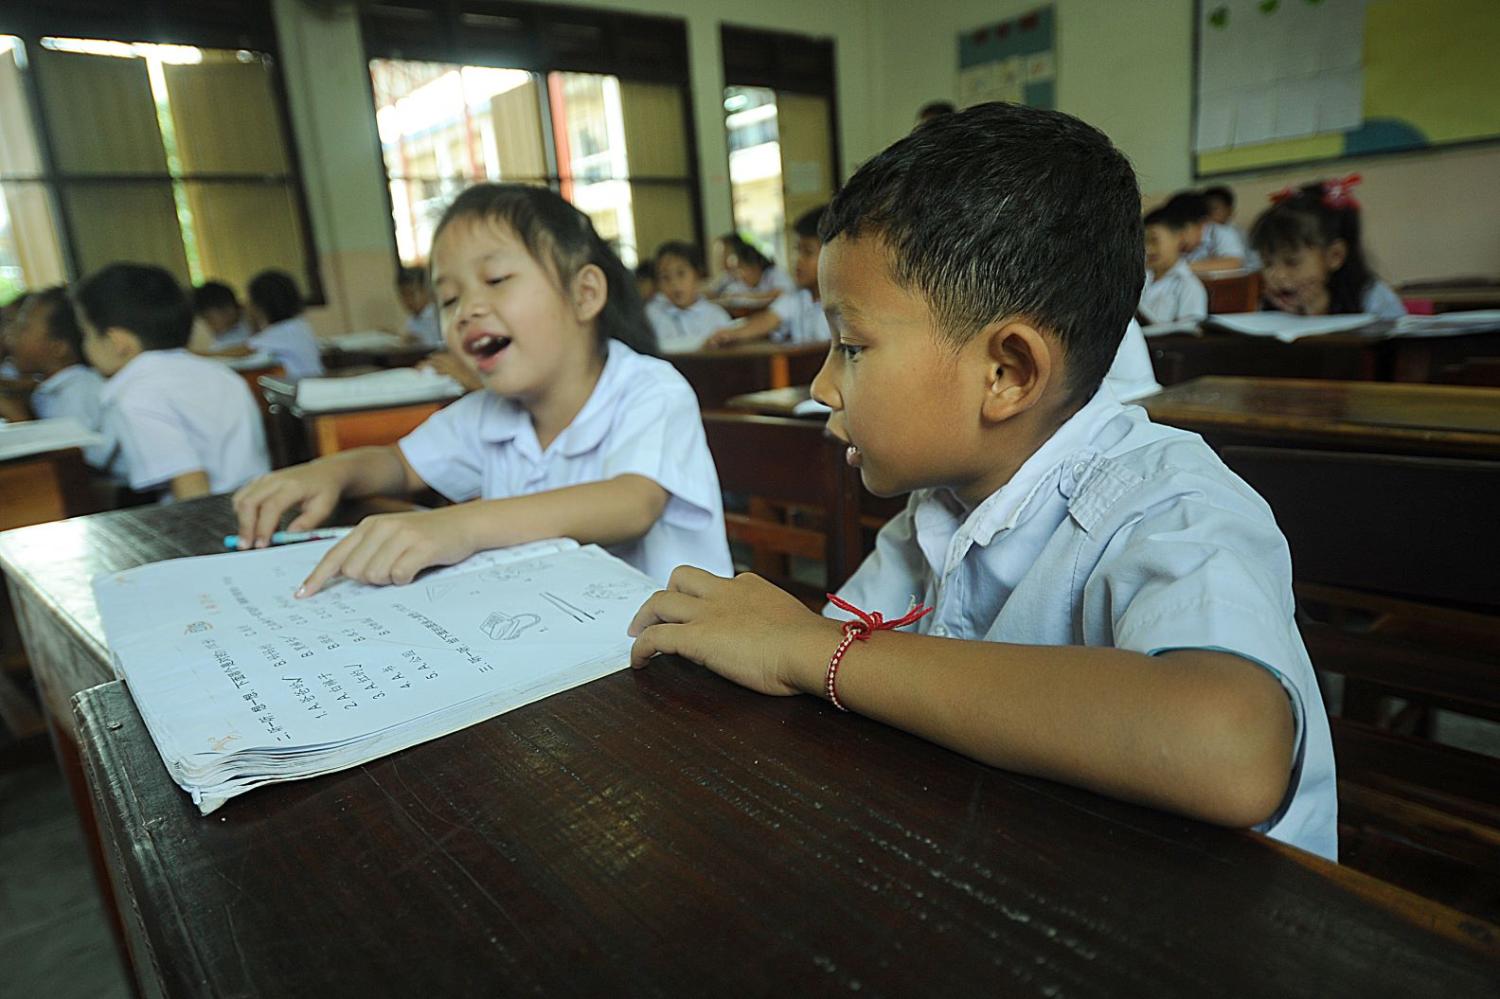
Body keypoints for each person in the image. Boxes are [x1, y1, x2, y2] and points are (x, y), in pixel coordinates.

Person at [627, 102, 1336, 860]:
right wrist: (793, 644)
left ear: (1007, 372)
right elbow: (846, 671)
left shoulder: (1169, 501)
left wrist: (811, 649)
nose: (825, 387)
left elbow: (1227, 742)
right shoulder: (932, 512)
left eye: (852, 346)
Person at [233, 183, 733, 593]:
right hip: (556, 644)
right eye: (449, 299)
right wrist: (331, 472)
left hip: (674, 664)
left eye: (495, 279)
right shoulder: (490, 412)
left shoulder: (649, 389)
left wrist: (462, 525)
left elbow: (630, 504)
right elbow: (399, 465)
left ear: (584, 294)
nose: (467, 309)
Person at [76, 264, 270, 501]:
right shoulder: (221, 374)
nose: (84, 346)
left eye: (85, 334)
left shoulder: (137, 396)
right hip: (260, 505)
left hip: (210, 522)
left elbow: (192, 487)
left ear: (118, 342)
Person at [1249, 177, 1406, 320]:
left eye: (1292, 262)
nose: (1278, 275)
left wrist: (1319, 314)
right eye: (1268, 263)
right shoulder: (1270, 304)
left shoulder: (1372, 297)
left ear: (1334, 256)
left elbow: (1397, 346)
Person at [0, 286, 113, 467]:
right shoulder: (50, 390)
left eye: (23, 327)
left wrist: (18, 418)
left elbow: (75, 466)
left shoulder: (79, 390)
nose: (9, 336)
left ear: (58, 348)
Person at [706, 206, 831, 348]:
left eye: (807, 252)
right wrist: (730, 333)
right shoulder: (797, 298)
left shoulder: (842, 305)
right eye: (797, 250)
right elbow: (767, 320)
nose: (797, 259)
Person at [645, 242, 732, 353]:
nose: (674, 284)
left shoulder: (716, 316)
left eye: (681, 274)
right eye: (665, 277)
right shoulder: (652, 315)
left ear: (697, 274)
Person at [243, 270, 325, 378]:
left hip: (304, 387)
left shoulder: (283, 330)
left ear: (260, 305)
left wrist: (212, 355)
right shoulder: (298, 324)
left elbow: (246, 349)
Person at [1139, 206, 1209, 325]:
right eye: (1143, 241)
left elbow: (1190, 333)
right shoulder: (1137, 279)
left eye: (1154, 240)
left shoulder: (1188, 285)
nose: (1148, 249)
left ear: (1178, 238)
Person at [1166, 191, 1248, 275]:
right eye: (1173, 232)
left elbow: (1234, 263)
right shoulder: (1172, 240)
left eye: (1182, 232)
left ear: (1202, 223)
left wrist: (1181, 267)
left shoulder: (1222, 233)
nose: (1178, 239)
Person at [192, 281, 252, 347]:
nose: (209, 325)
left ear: (227, 309)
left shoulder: (255, 324)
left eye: (208, 318)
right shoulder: (222, 337)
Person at [397, 265, 442, 348]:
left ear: (426, 290)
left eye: (411, 294)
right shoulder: (411, 321)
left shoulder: (439, 316)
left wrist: (421, 341)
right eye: (403, 295)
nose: (407, 300)